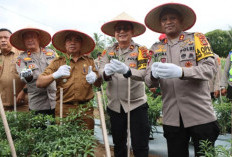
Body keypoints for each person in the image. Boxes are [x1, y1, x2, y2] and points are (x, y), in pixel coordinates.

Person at [144, 3, 220, 157]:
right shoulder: (155, 48)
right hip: (172, 117)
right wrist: (153, 75)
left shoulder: (196, 39)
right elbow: (148, 80)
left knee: (205, 154)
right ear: (160, 24)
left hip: (200, 114)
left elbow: (210, 69)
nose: (168, 21)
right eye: (164, 19)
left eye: (173, 18)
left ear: (181, 20)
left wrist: (182, 71)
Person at [99, 12, 150, 157]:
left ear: (132, 32)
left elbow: (144, 74)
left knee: (140, 145)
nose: (122, 32)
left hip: (136, 104)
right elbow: (101, 70)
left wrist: (128, 70)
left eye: (126, 29)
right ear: (114, 33)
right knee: (119, 144)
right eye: (118, 29)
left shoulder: (141, 50)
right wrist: (104, 73)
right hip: (115, 106)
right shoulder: (108, 51)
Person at [36, 29, 101, 130]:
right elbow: (40, 82)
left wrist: (95, 77)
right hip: (64, 108)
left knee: (86, 141)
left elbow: (98, 84)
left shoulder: (90, 62)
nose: (72, 42)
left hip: (85, 109)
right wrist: (55, 75)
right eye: (69, 40)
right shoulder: (57, 62)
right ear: (65, 44)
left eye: (76, 40)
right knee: (64, 141)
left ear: (81, 44)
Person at [10, 27, 57, 116]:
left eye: (32, 37)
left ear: (39, 38)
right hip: (37, 103)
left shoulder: (51, 53)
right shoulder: (21, 58)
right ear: (23, 41)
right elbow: (24, 78)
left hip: (55, 100)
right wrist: (27, 76)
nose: (30, 40)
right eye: (26, 38)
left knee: (57, 127)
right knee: (38, 128)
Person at [0, 28, 28, 112]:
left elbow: (34, 75)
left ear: (11, 39)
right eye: (0, 38)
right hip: (2, 106)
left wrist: (24, 91)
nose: (3, 40)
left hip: (22, 105)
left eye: (6, 37)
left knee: (21, 125)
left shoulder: (22, 54)